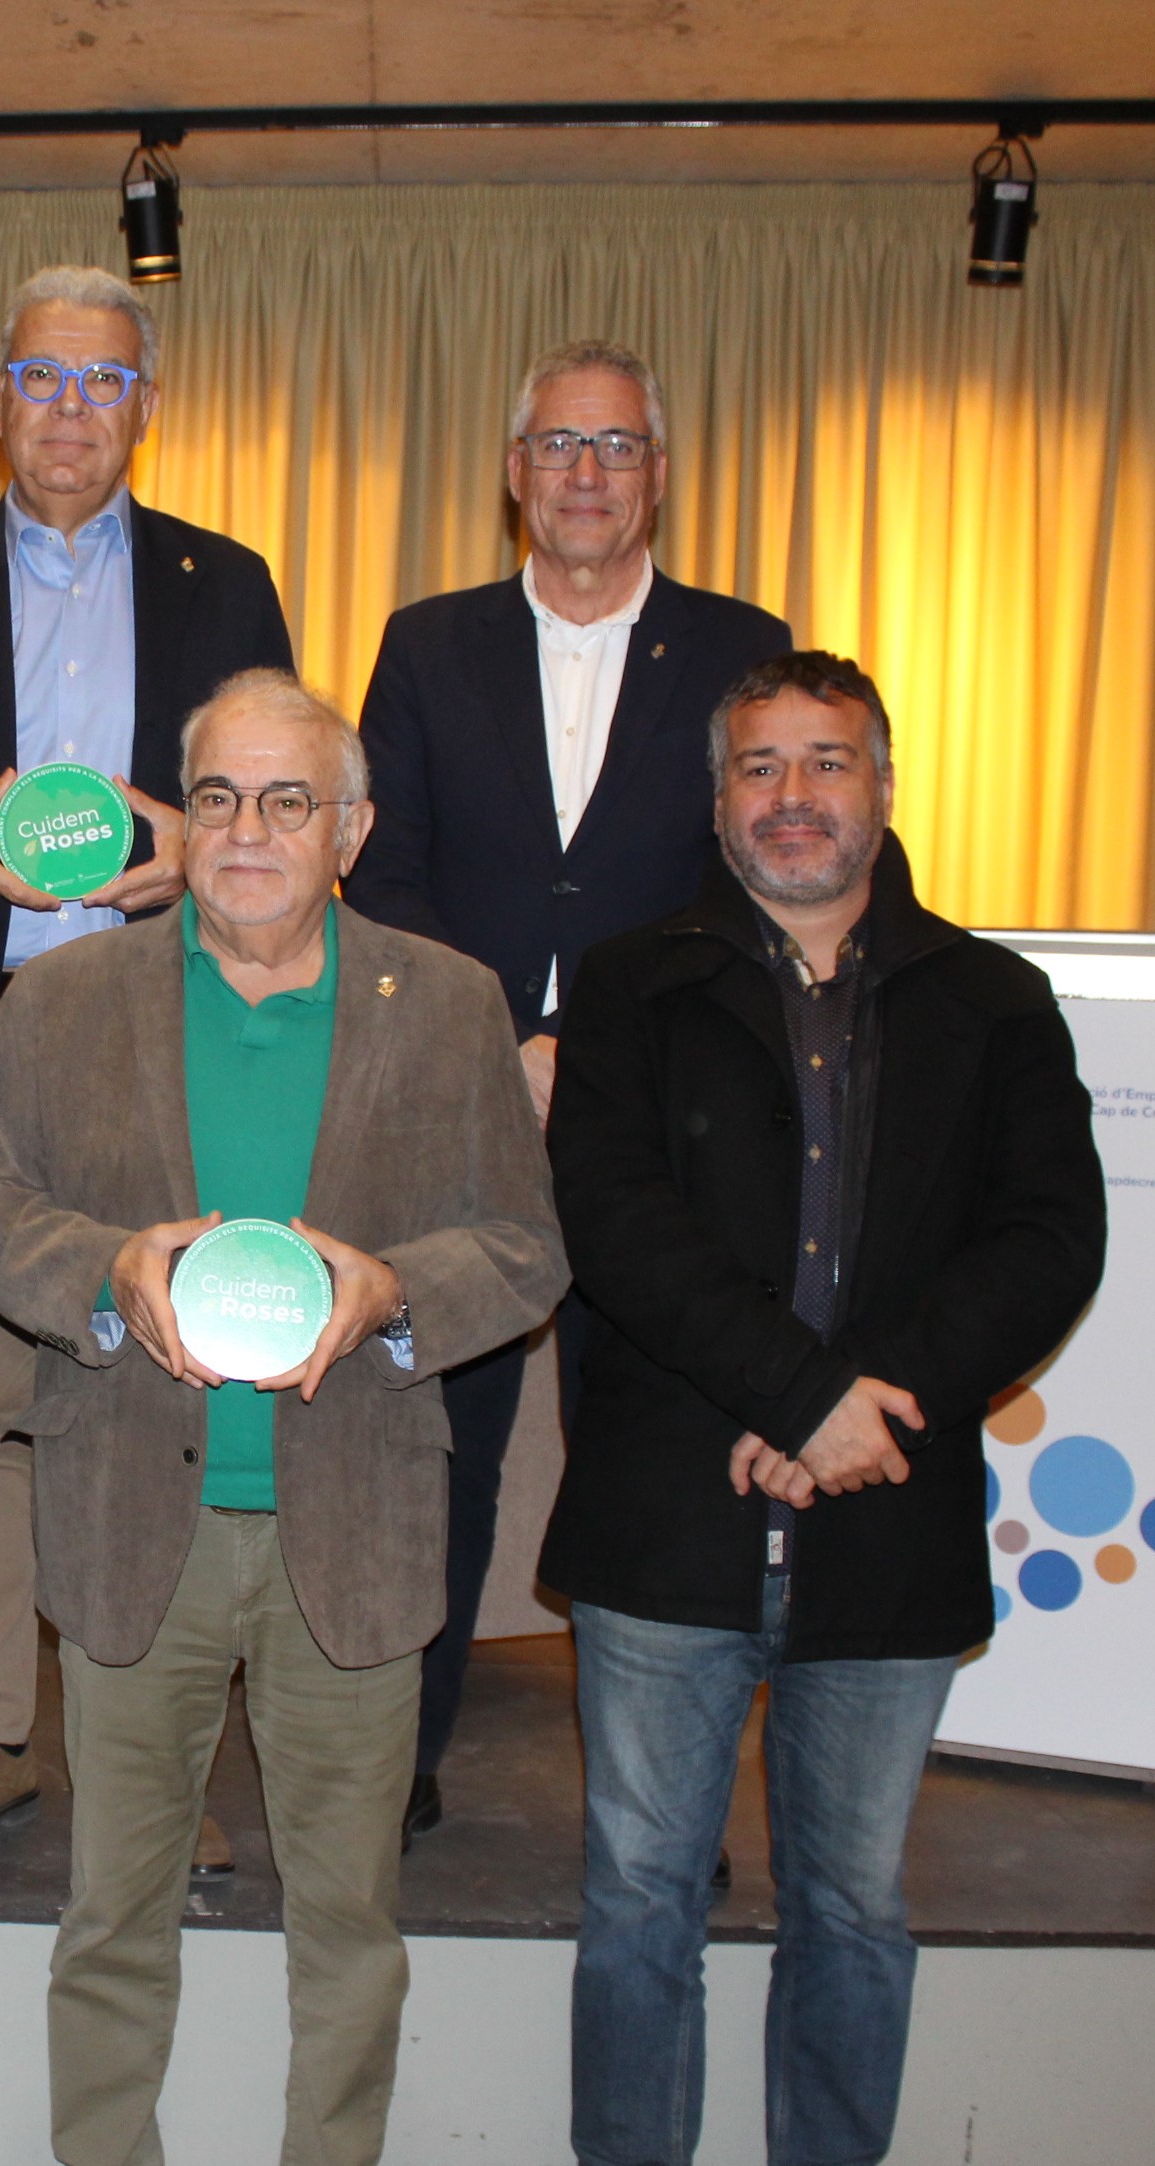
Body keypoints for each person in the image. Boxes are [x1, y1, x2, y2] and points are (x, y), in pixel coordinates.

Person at [0, 669, 568, 2166]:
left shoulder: (451, 1002)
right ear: (180, 822)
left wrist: (395, 1288)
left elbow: (523, 1249)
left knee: (350, 1926)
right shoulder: (58, 1002)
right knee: (111, 1917)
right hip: (133, 1521)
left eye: (287, 801)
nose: (247, 831)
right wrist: (106, 1267)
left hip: (354, 1523)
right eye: (218, 797)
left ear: (350, 831)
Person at [540, 652, 1105, 2166]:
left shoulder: (995, 1000)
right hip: (668, 1521)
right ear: (717, 797)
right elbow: (616, 1226)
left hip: (888, 1521)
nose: (793, 796)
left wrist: (862, 1410)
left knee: (853, 1910)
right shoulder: (628, 985)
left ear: (885, 785)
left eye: (826, 761)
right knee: (637, 1905)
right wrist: (803, 1398)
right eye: (760, 766)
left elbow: (1049, 1240)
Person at [0, 263, 292, 1866]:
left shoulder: (229, 585)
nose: (70, 408)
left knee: (157, 1384)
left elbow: (280, 803)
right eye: (42, 376)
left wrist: (199, 846)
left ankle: (147, 1752)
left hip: (162, 1032)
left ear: (144, 406)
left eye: (102, 380)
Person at [343, 340, 793, 1842]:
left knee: (654, 1467)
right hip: (458, 1110)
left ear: (657, 474)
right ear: (512, 471)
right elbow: (382, 874)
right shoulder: (427, 643)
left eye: (615, 447)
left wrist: (586, 1048)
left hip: (659, 1116)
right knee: (437, 1455)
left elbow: (750, 882)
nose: (585, 474)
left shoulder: (742, 648)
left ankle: (661, 1805)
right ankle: (394, 1761)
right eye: (557, 445)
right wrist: (501, 1043)